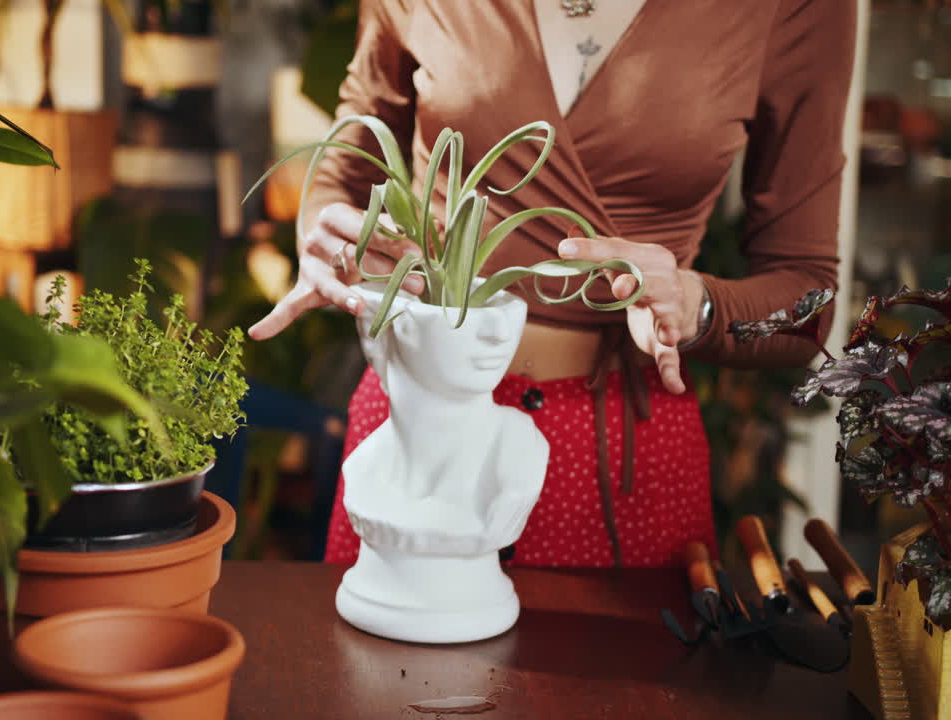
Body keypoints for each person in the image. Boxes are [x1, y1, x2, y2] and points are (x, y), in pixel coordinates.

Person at [247, 0, 856, 568]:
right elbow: (351, 157)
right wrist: (325, 239)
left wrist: (697, 307)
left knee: (618, 682)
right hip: (422, 424)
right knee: (378, 676)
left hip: (625, 454)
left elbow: (810, 303)